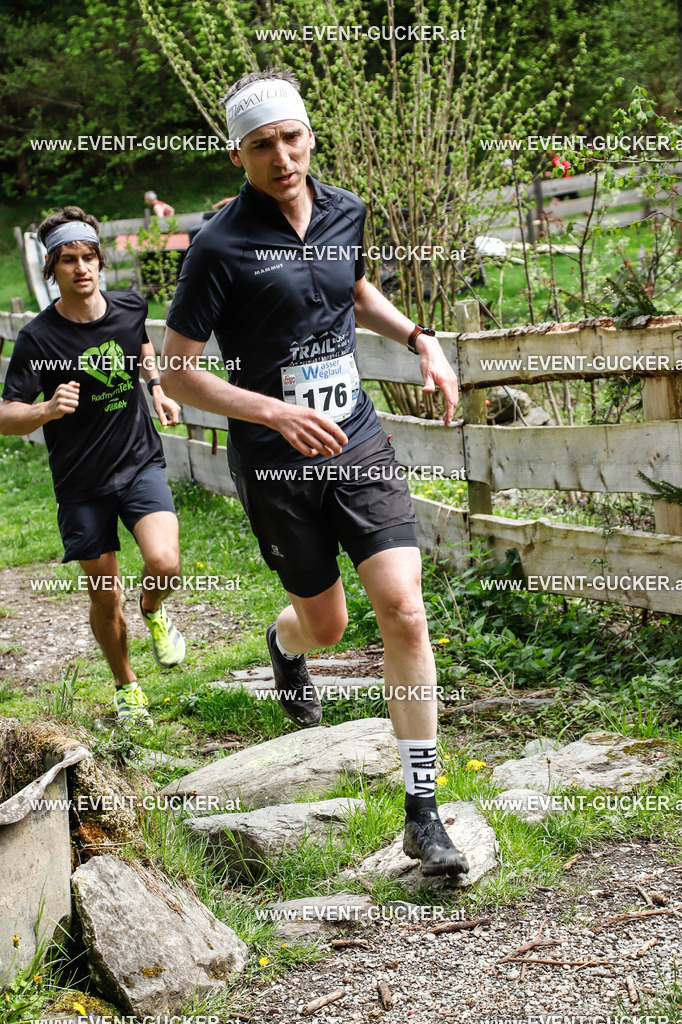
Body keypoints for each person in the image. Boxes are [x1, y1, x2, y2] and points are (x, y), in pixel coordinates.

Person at [161, 70, 469, 876]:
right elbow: (177, 372)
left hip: (356, 439)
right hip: (276, 463)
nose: (282, 157)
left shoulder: (344, 211)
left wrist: (420, 339)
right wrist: (271, 412)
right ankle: (284, 642)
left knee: (404, 610)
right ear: (239, 155)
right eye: (262, 144)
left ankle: (423, 812)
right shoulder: (218, 248)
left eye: (292, 138)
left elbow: (352, 288)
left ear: (309, 136)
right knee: (325, 626)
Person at [0, 206, 186, 727]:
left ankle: (153, 609)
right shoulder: (38, 339)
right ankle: (127, 686)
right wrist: (45, 409)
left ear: (100, 261)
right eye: (68, 260)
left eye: (88, 257)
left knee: (165, 562)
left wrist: (156, 388)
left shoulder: (129, 305)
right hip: (81, 483)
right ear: (52, 269)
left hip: (138, 461)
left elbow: (140, 343)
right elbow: (6, 414)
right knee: (106, 595)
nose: (81, 268)